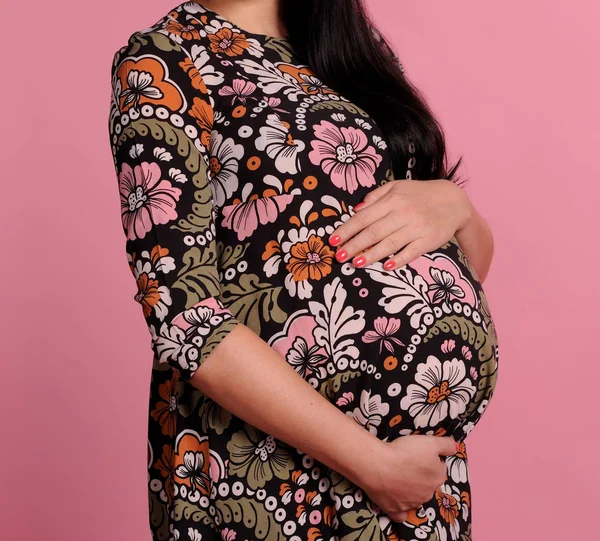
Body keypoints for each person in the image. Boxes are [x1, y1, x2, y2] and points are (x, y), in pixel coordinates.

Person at [107, 1, 500, 539]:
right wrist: (371, 464)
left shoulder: (348, 48)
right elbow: (183, 318)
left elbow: (461, 269)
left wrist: (457, 207)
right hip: (269, 474)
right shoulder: (164, 61)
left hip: (419, 481)